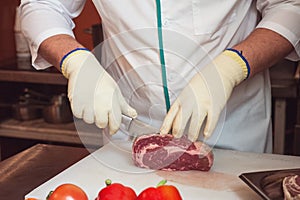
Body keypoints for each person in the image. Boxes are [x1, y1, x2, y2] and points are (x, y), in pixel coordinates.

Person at [20, 0, 300, 153]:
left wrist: (232, 66)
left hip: (232, 132)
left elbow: (290, 7)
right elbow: (42, 5)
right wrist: (75, 60)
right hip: (129, 134)